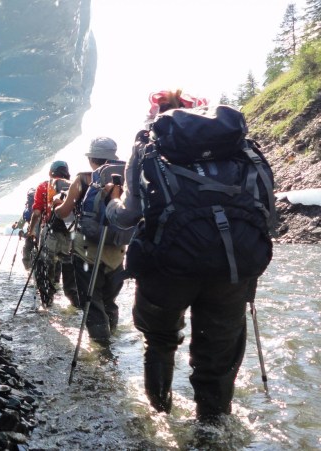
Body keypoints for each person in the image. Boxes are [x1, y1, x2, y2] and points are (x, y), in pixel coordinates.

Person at [104, 89, 263, 421]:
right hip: (232, 266)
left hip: (167, 267)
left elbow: (128, 215)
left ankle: (161, 419)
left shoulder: (147, 148)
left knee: (160, 342)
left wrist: (111, 205)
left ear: (157, 114)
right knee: (217, 360)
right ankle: (211, 432)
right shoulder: (236, 147)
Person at [53, 139, 126, 344]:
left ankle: (101, 347)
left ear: (92, 159)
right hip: (117, 250)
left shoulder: (84, 179)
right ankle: (112, 338)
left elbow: (63, 212)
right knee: (109, 300)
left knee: (91, 300)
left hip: (87, 249)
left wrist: (57, 205)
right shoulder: (126, 178)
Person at [26, 161, 79, 308]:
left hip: (50, 232)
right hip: (70, 234)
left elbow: (36, 212)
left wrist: (30, 230)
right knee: (68, 267)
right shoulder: (74, 185)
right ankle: (74, 302)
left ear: (51, 173)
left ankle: (47, 300)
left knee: (44, 265)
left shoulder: (44, 186)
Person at [12, 188, 37, 270]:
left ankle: (28, 270)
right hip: (43, 234)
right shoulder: (44, 205)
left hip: (30, 234)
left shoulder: (27, 209)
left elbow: (20, 224)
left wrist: (15, 226)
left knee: (26, 250)